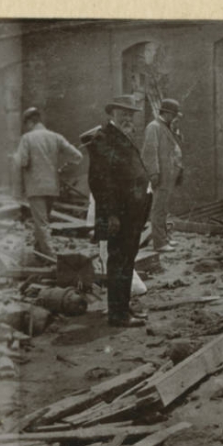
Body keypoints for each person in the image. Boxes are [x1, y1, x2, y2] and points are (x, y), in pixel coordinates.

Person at [82, 95, 152, 327]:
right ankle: (118, 314)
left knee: (126, 262)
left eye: (130, 114)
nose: (128, 118)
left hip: (130, 213)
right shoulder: (103, 139)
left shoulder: (120, 136)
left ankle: (123, 307)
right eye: (123, 113)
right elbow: (99, 181)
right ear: (111, 114)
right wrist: (111, 214)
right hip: (119, 216)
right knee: (119, 262)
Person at [13, 107, 83, 258]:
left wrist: (13, 158)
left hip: (35, 187)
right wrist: (63, 168)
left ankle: (51, 258)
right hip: (52, 187)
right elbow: (77, 156)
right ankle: (39, 253)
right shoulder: (55, 137)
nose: (26, 128)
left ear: (30, 122)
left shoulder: (27, 138)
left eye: (26, 124)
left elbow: (23, 161)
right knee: (42, 222)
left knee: (41, 223)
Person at [142, 98, 183, 252]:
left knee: (163, 208)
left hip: (168, 174)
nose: (175, 118)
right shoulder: (154, 127)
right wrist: (153, 173)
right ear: (166, 113)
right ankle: (159, 243)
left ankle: (164, 238)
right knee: (158, 209)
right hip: (161, 175)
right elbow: (149, 152)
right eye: (173, 115)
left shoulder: (165, 127)